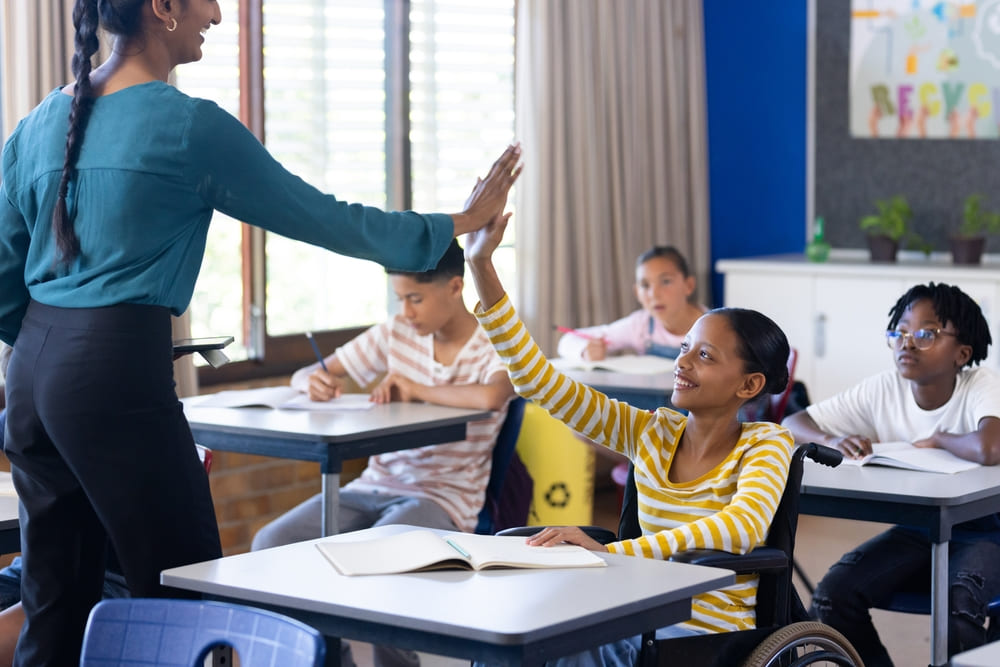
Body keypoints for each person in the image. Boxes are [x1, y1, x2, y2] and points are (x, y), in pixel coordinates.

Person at [0, 1, 520, 664]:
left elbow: (2, 275)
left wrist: (53, 352)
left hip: (31, 372)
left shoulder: (41, 119)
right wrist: (456, 220)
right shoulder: (187, 126)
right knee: (186, 602)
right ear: (162, 8)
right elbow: (324, 217)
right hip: (112, 369)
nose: (218, 12)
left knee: (54, 602)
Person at [464, 212, 795, 666]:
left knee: (557, 648)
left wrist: (615, 553)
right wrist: (481, 264)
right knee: (516, 631)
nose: (683, 363)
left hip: (703, 636)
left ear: (749, 385)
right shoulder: (650, 430)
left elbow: (740, 528)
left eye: (704, 355)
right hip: (636, 615)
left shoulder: (766, 443)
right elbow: (537, 381)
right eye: (684, 348)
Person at [252, 239, 515, 667]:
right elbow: (310, 372)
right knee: (272, 542)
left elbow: (492, 395)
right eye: (400, 299)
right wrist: (310, 383)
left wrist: (415, 389)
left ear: (454, 287)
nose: (406, 311)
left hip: (442, 497)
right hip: (373, 486)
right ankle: (328, 659)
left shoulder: (496, 340)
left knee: (380, 562)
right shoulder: (396, 333)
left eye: (416, 298)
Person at [782, 282, 1000, 666]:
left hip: (988, 529)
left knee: (959, 605)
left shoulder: (980, 384)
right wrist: (831, 437)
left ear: (962, 354)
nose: (907, 343)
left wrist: (940, 438)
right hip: (921, 529)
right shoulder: (883, 388)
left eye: (925, 334)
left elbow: (990, 447)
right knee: (833, 596)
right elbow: (793, 422)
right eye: (899, 332)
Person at [556, 246, 706, 362]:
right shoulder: (640, 325)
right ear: (637, 293)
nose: (654, 294)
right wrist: (585, 351)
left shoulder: (713, 327)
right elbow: (567, 340)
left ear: (689, 285)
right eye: (645, 285)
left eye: (665, 281)